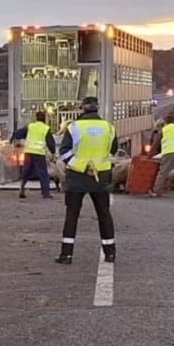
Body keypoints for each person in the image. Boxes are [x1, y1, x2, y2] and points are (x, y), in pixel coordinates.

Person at [56, 96, 118, 265]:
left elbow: (65, 152)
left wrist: (82, 166)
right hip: (101, 177)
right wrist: (98, 166)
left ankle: (66, 254)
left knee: (72, 215)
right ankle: (110, 253)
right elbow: (112, 150)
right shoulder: (109, 128)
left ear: (82, 109)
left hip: (77, 177)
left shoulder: (74, 127)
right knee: (104, 214)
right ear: (97, 108)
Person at [16, 111, 56, 199]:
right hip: (39, 153)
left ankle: (22, 189)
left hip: (28, 151)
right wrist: (53, 152)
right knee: (43, 173)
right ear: (45, 118)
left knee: (26, 172)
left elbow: (19, 133)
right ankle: (46, 193)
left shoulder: (31, 126)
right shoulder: (46, 128)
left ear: (36, 118)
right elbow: (50, 143)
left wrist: (15, 136)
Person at [150, 114, 174, 198]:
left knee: (162, 173)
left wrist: (150, 154)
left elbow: (156, 143)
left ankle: (156, 191)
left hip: (169, 153)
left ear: (166, 122)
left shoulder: (164, 130)